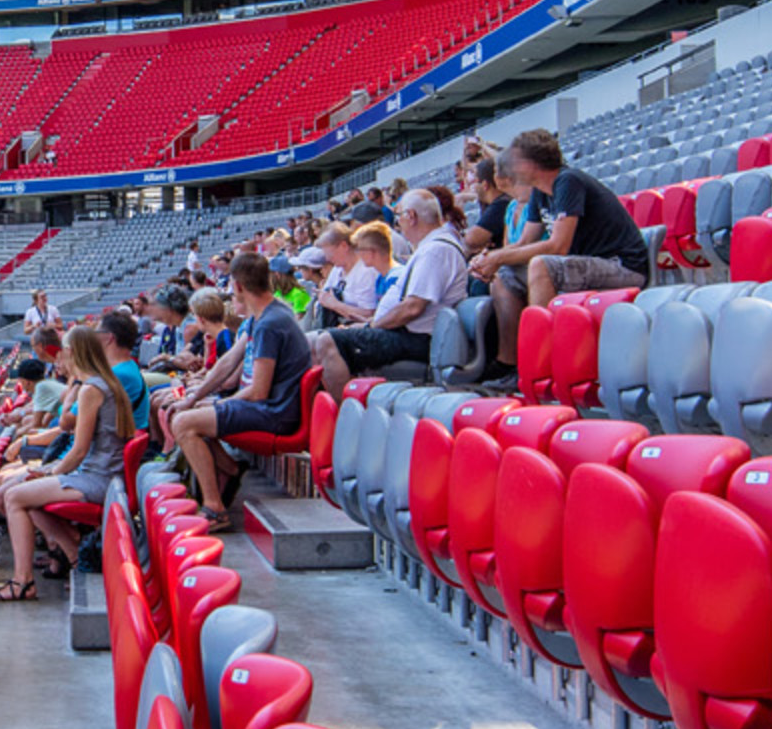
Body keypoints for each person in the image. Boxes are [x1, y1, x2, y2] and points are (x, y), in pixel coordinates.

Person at [168, 250, 314, 527]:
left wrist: (221, 403)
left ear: (237, 286)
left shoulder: (270, 324)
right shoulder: (266, 315)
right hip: (269, 405)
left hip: (274, 412)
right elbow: (227, 362)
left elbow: (258, 392)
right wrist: (195, 398)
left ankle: (214, 508)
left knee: (184, 423)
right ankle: (231, 470)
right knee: (191, 411)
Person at [0, 326, 134, 601]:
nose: (58, 358)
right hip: (100, 475)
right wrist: (45, 472)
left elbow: (79, 451)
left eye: (63, 352)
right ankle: (74, 552)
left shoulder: (91, 389)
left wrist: (49, 472)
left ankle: (23, 581)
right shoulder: (103, 383)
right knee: (22, 491)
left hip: (96, 478)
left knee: (15, 497)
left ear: (73, 353)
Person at [313, 188, 468, 399]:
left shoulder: (435, 250)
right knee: (324, 339)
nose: (398, 222)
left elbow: (412, 308)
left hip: (416, 337)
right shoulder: (431, 247)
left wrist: (373, 326)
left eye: (400, 215)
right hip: (407, 333)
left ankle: (343, 411)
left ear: (411, 216)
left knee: (327, 341)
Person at [500, 126, 651, 311]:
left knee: (542, 266)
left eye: (516, 161)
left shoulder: (568, 181)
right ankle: (520, 331)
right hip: (588, 265)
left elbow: (558, 247)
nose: (511, 168)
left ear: (532, 163)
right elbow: (524, 242)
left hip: (621, 265)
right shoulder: (539, 191)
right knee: (504, 274)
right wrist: (491, 259)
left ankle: (543, 330)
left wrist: (499, 257)